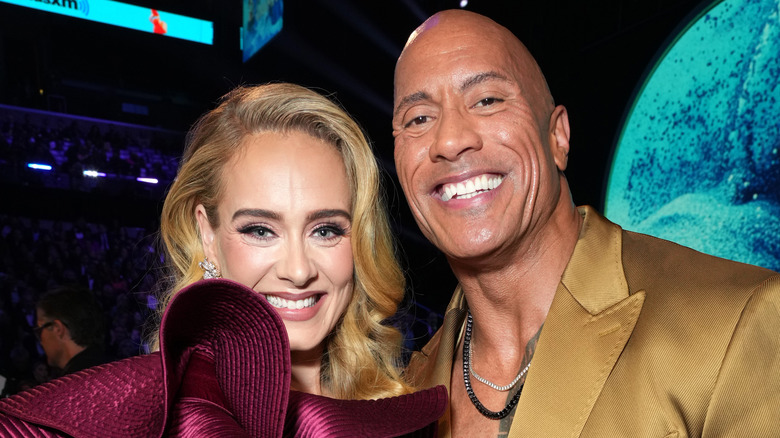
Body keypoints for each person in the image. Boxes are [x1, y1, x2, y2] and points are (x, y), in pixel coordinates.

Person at [392, 10, 780, 438]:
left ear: (558, 136)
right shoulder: (400, 397)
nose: (449, 141)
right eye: (418, 119)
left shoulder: (735, 324)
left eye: (487, 100)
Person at [0, 83, 446, 436]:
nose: (297, 269)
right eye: (260, 230)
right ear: (207, 235)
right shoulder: (148, 414)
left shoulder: (403, 407)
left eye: (325, 230)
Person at [34, 286, 109, 377]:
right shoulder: (114, 368)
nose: (40, 341)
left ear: (58, 329)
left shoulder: (72, 385)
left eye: (40, 329)